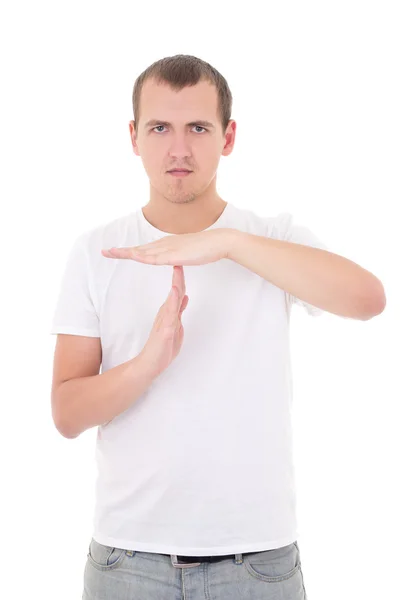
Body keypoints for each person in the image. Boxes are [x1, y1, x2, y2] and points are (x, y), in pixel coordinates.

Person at [50, 54, 385, 600]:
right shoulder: (96, 251)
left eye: (198, 128)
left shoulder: (270, 237)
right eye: (160, 127)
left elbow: (368, 299)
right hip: (128, 562)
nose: (178, 149)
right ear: (134, 137)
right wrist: (147, 365)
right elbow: (66, 413)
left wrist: (226, 242)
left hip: (258, 563)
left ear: (228, 137)